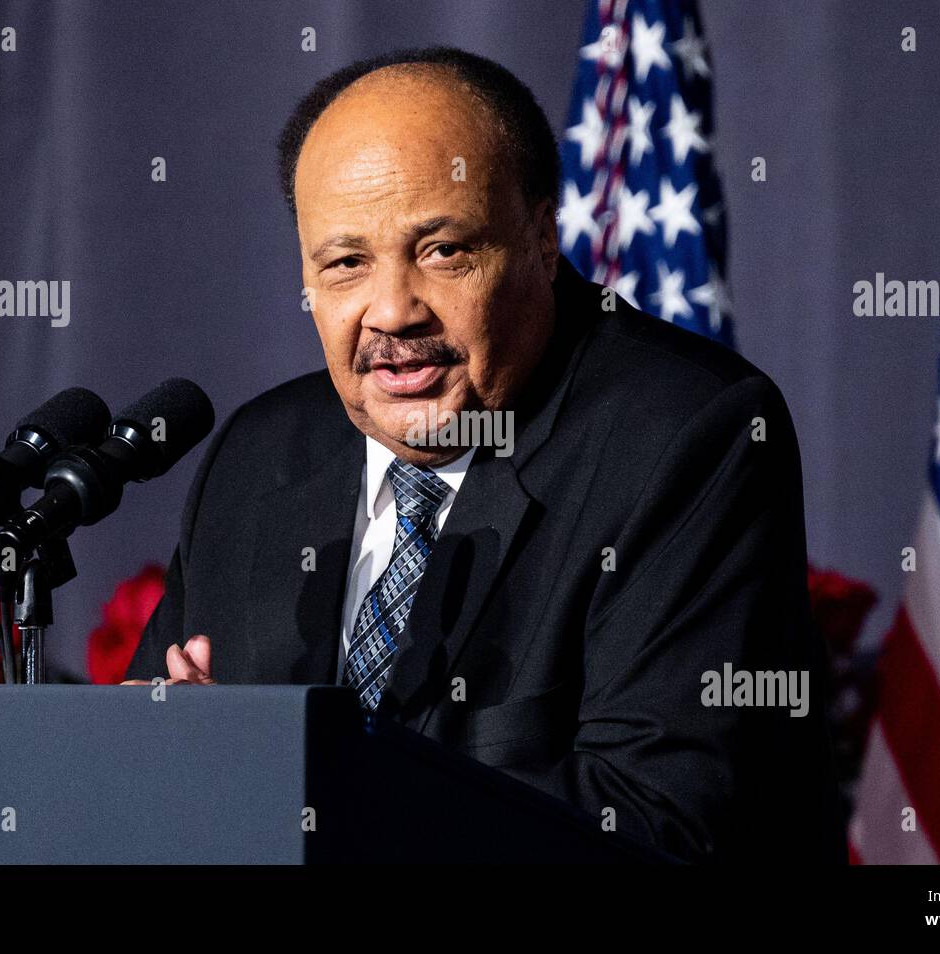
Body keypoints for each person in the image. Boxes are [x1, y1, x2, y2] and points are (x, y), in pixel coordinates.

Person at [125, 46, 844, 863]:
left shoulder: (686, 436)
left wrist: (291, 781)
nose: (393, 310)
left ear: (541, 238)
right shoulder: (258, 458)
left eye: (443, 251)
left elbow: (656, 826)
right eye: (346, 263)